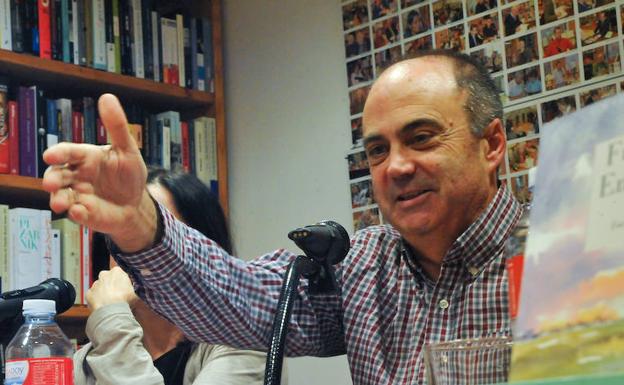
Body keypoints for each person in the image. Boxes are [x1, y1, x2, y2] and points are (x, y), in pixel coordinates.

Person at [42, 49, 522, 385]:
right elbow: (239, 296)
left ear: (492, 144)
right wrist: (139, 225)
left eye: (422, 138)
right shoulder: (363, 266)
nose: (396, 166)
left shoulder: (567, 254)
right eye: (378, 150)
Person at [73, 168, 270, 385]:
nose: (134, 253)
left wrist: (112, 325)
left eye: (153, 236)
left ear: (201, 247)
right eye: (122, 234)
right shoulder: (89, 358)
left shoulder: (245, 340)